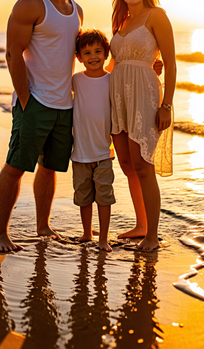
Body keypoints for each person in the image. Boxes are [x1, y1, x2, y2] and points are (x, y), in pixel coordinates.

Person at [0, 0, 85, 252]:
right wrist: (24, 100)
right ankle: (1, 233)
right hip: (34, 102)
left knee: (49, 169)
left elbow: (82, 56)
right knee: (16, 167)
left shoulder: (77, 11)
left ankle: (43, 226)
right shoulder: (31, 4)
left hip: (64, 105)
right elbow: (12, 53)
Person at [109, 0, 176, 252]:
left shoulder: (156, 15)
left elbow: (170, 63)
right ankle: (141, 225)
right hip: (118, 96)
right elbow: (114, 64)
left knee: (143, 166)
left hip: (145, 96)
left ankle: (152, 235)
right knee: (126, 165)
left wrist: (166, 105)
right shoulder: (121, 20)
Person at [71, 30, 115, 252]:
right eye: (86, 52)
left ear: (106, 54)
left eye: (98, 51)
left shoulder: (111, 80)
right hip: (79, 153)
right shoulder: (76, 80)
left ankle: (104, 238)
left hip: (103, 153)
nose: (93, 56)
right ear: (78, 57)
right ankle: (87, 232)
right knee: (84, 196)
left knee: (104, 197)